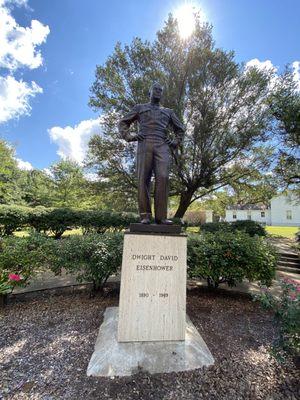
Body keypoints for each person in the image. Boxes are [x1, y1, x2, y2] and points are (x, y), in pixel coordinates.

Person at [118, 82, 185, 224]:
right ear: (150, 92)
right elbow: (123, 122)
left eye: (160, 90)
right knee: (143, 179)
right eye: (155, 89)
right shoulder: (139, 108)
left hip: (162, 145)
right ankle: (145, 216)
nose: (158, 92)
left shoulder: (169, 112)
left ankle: (161, 217)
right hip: (144, 144)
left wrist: (175, 142)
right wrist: (129, 136)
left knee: (163, 177)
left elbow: (180, 129)